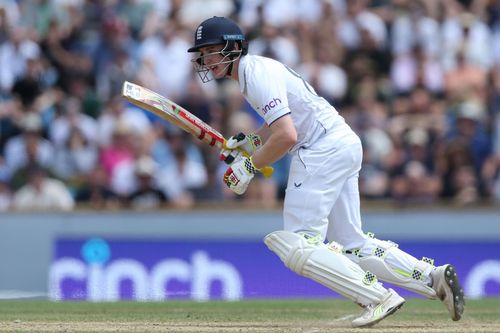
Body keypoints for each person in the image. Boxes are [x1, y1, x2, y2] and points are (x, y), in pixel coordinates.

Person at [187, 16, 464, 327]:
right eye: (202, 54)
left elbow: (288, 136)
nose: (205, 60)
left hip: (320, 150)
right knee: (351, 243)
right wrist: (251, 141)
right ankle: (432, 277)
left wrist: (250, 166)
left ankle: (376, 297)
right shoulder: (256, 71)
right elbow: (281, 122)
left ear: (233, 47)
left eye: (210, 51)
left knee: (297, 242)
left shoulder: (254, 72)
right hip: (341, 142)